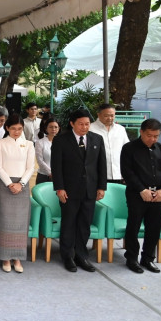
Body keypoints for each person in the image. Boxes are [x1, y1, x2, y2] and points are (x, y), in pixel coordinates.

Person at [51, 109, 107, 273]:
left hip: (90, 190)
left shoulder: (97, 139)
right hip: (69, 190)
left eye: (87, 124)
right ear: (72, 124)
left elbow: (101, 165)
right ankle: (67, 256)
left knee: (84, 224)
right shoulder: (61, 140)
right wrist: (59, 188)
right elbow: (56, 166)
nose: (84, 127)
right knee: (68, 223)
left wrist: (101, 187)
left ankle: (81, 255)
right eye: (81, 124)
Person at [120, 118, 161, 273]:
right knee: (133, 226)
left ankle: (148, 259)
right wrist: (142, 190)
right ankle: (131, 258)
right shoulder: (129, 148)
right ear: (141, 132)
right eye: (149, 135)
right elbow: (127, 172)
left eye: (156, 136)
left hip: (158, 195)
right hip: (137, 194)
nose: (153, 139)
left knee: (154, 228)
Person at [0, 114, 35, 274]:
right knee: (5, 221)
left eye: (19, 129)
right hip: (5, 185)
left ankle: (17, 258)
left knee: (21, 223)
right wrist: (10, 183)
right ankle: (5, 257)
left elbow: (31, 167)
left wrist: (21, 183)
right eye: (13, 128)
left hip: (22, 186)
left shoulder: (29, 144)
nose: (16, 131)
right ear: (7, 128)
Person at [89, 103, 130, 184]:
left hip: (119, 174)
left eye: (112, 115)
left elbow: (127, 150)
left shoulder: (120, 129)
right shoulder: (90, 129)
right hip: (97, 175)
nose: (110, 118)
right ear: (98, 115)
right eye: (106, 116)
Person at [35, 117, 60, 184]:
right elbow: (40, 160)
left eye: (56, 127)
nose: (53, 129)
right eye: (51, 127)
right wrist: (50, 173)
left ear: (59, 128)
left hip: (60, 176)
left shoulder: (63, 142)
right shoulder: (40, 142)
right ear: (46, 128)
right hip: (44, 176)